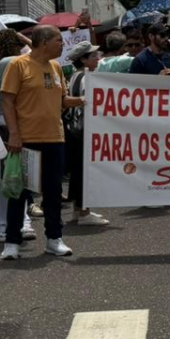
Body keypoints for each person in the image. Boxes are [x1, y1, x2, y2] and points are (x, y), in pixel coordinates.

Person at [0, 24, 85, 260]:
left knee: (54, 192)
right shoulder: (19, 64)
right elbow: (7, 101)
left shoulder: (56, 66)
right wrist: (14, 134)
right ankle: (12, 242)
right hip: (26, 139)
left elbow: (63, 100)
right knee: (19, 192)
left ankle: (54, 239)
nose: (63, 44)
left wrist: (84, 100)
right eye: (59, 40)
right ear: (44, 42)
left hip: (54, 138)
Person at [0, 29, 35, 244]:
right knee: (6, 181)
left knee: (0, 181)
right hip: (6, 127)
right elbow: (38, 53)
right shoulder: (10, 63)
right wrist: (26, 40)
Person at [64, 40, 108, 227]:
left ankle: (77, 210)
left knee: (77, 171)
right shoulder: (86, 78)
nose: (97, 59)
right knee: (84, 171)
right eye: (92, 56)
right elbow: (89, 104)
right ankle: (84, 212)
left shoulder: (75, 76)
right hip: (83, 130)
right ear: (83, 59)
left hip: (73, 130)